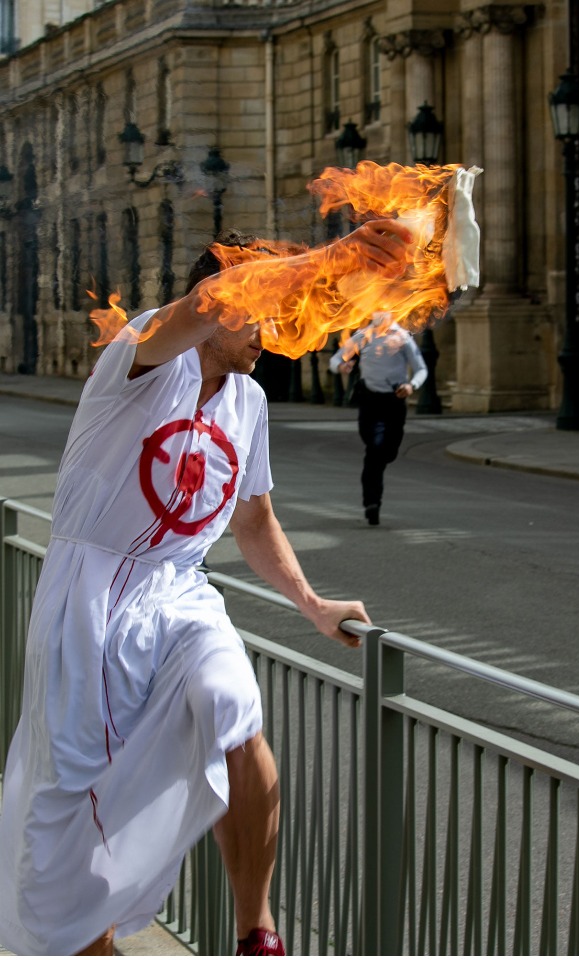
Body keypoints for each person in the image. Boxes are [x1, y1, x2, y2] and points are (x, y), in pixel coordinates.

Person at [0, 220, 414, 956]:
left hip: (180, 590)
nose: (279, 329)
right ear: (226, 303)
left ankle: (256, 929)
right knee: (77, 797)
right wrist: (333, 256)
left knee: (235, 711)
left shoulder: (249, 404)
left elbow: (255, 521)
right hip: (91, 595)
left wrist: (313, 605)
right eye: (267, 309)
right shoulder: (143, 354)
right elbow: (204, 301)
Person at [328, 312, 428, 525]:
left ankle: (373, 493)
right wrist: (341, 366)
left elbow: (421, 369)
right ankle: (372, 502)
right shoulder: (363, 336)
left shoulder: (402, 337)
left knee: (387, 451)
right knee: (374, 447)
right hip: (370, 401)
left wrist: (411, 386)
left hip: (394, 401)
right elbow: (336, 358)